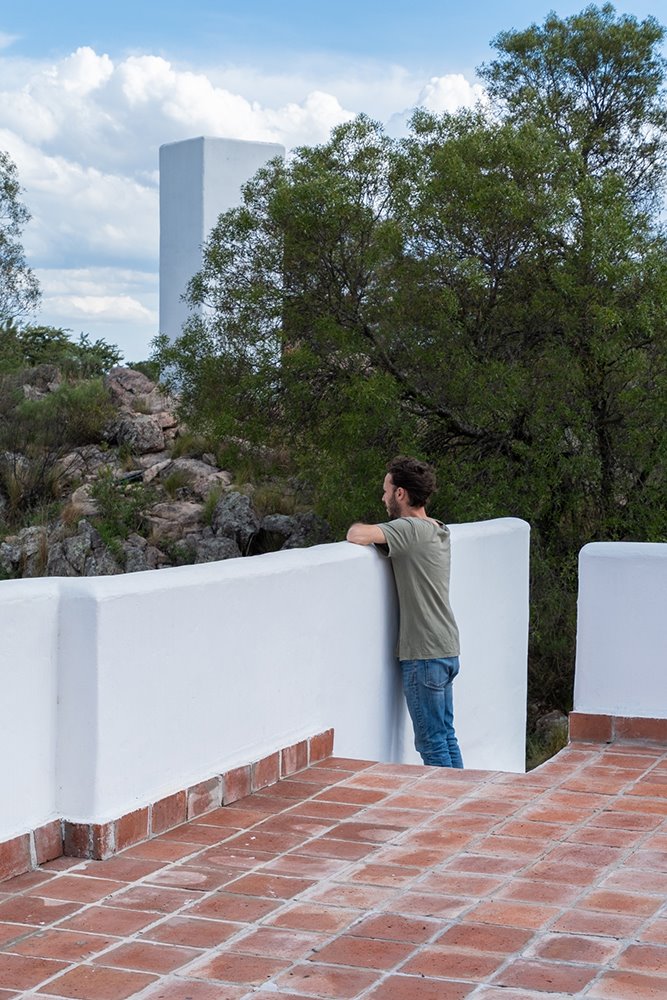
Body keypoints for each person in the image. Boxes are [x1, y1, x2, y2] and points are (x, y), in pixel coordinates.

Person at [346, 456, 463, 768]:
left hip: (424, 655)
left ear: (400, 494)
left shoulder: (409, 529)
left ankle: (446, 812)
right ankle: (463, 804)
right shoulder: (437, 528)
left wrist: (359, 526)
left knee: (432, 744)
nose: (382, 497)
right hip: (446, 649)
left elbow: (357, 535)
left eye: (386, 491)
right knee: (446, 737)